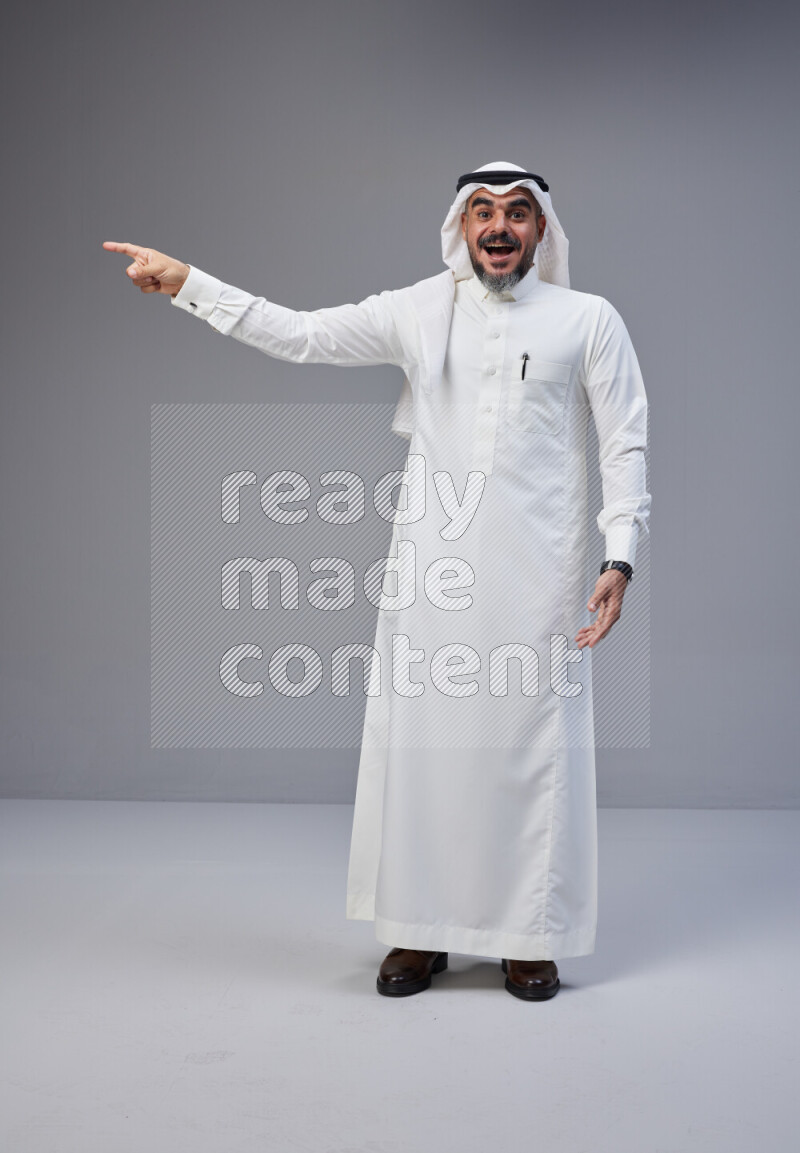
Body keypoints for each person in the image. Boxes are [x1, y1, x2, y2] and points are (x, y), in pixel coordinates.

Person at [104, 160, 651, 1002]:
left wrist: (619, 557)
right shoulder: (415, 311)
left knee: (526, 752)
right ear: (460, 228)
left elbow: (624, 444)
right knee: (426, 755)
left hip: (540, 573)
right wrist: (188, 285)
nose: (498, 227)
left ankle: (527, 936)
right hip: (433, 570)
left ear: (541, 230)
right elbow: (300, 333)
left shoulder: (589, 319)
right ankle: (417, 932)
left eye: (515, 213)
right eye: (481, 212)